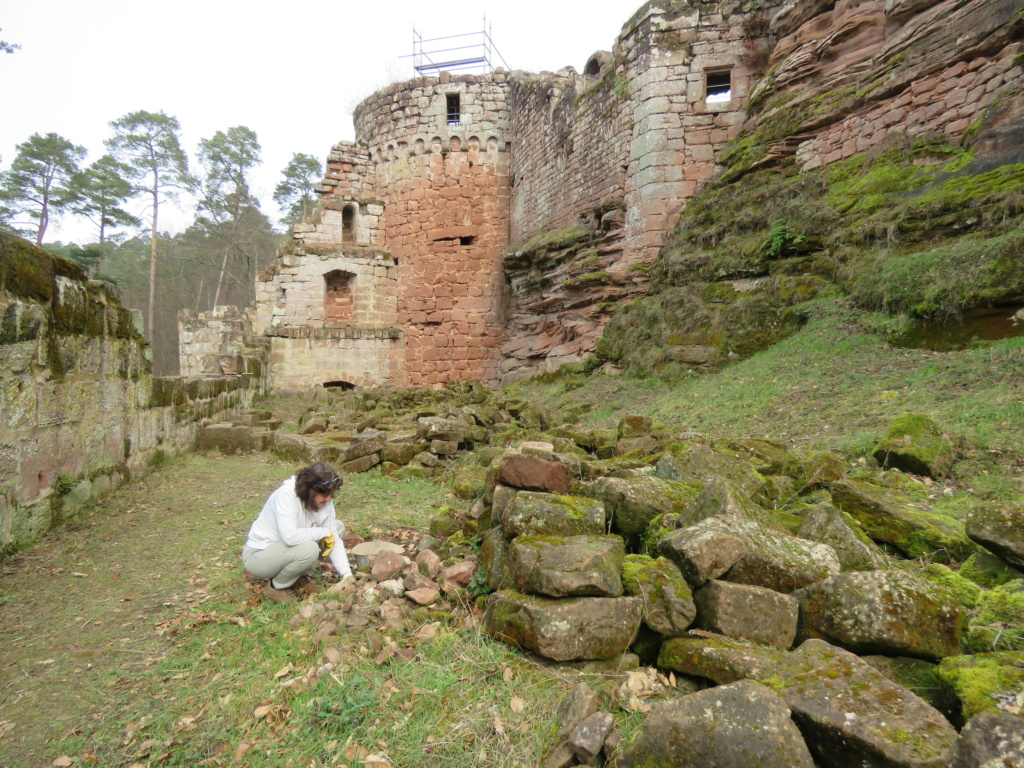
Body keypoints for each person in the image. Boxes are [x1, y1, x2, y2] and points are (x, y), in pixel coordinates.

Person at [242, 462, 353, 603]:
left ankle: (298, 578)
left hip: (285, 552)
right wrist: (322, 532)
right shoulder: (287, 495)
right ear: (310, 491)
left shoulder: (324, 501)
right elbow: (290, 537)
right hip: (259, 555)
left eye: (331, 494)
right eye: (325, 494)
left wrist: (347, 575)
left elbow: (333, 538)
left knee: (337, 528)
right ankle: (275, 587)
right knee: (311, 548)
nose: (329, 498)